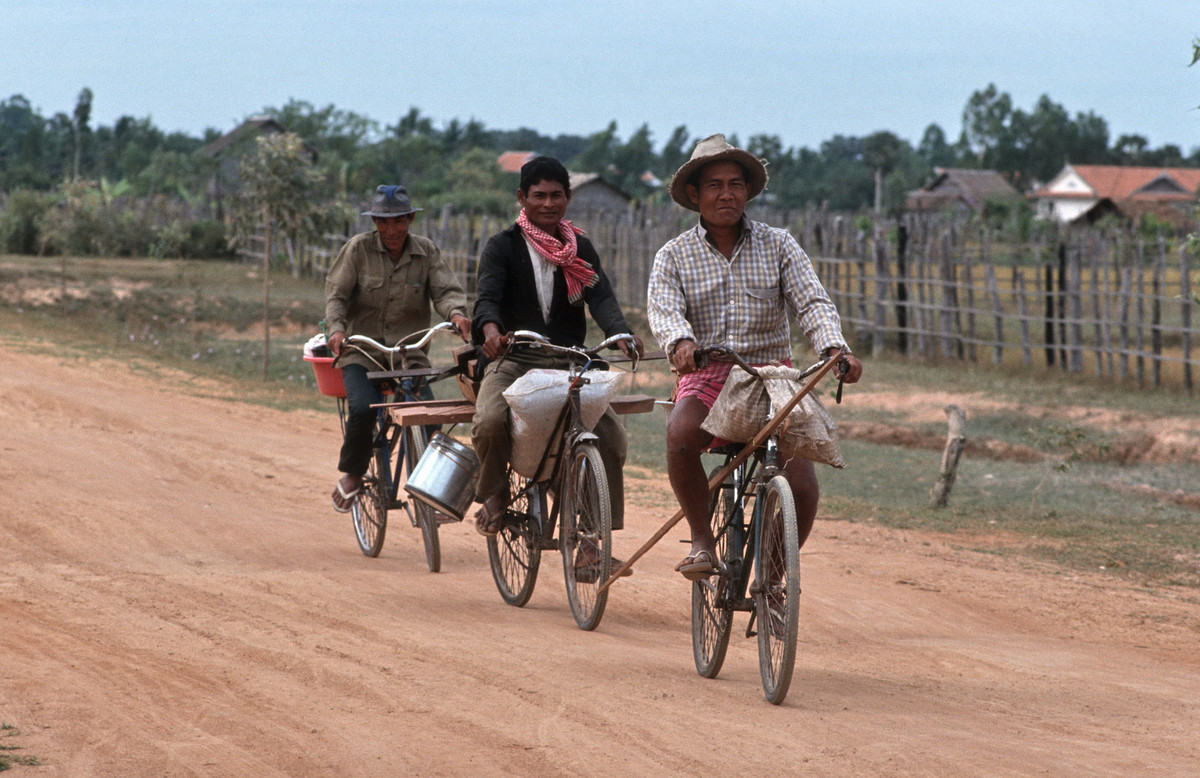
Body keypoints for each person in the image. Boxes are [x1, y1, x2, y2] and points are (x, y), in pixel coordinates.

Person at [646, 134, 863, 579]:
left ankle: (773, 580)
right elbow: (664, 310)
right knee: (680, 434)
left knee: (802, 488)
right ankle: (703, 541)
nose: (726, 193)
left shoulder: (779, 245)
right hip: (710, 374)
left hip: (773, 378)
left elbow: (812, 303)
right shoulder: (674, 255)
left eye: (735, 184)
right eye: (714, 185)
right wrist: (682, 344)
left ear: (747, 191)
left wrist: (834, 348)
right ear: (695, 194)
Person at [470, 156, 643, 574]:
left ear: (569, 197)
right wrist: (491, 332)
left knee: (612, 440)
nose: (549, 203)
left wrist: (620, 332)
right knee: (491, 420)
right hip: (515, 357)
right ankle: (493, 494)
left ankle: (590, 538)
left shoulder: (579, 248)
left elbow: (600, 297)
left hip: (569, 360)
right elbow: (487, 300)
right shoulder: (502, 246)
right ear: (522, 198)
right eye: (539, 195)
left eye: (557, 195)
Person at [325, 185, 471, 512]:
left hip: (409, 355)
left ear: (410, 219)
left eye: (399, 221)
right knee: (363, 411)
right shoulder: (357, 250)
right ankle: (353, 472)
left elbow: (446, 291)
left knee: (430, 418)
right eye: (383, 222)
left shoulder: (426, 252)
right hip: (362, 352)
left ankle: (435, 489)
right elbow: (337, 296)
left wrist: (457, 314)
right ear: (375, 221)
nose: (391, 230)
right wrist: (336, 329)